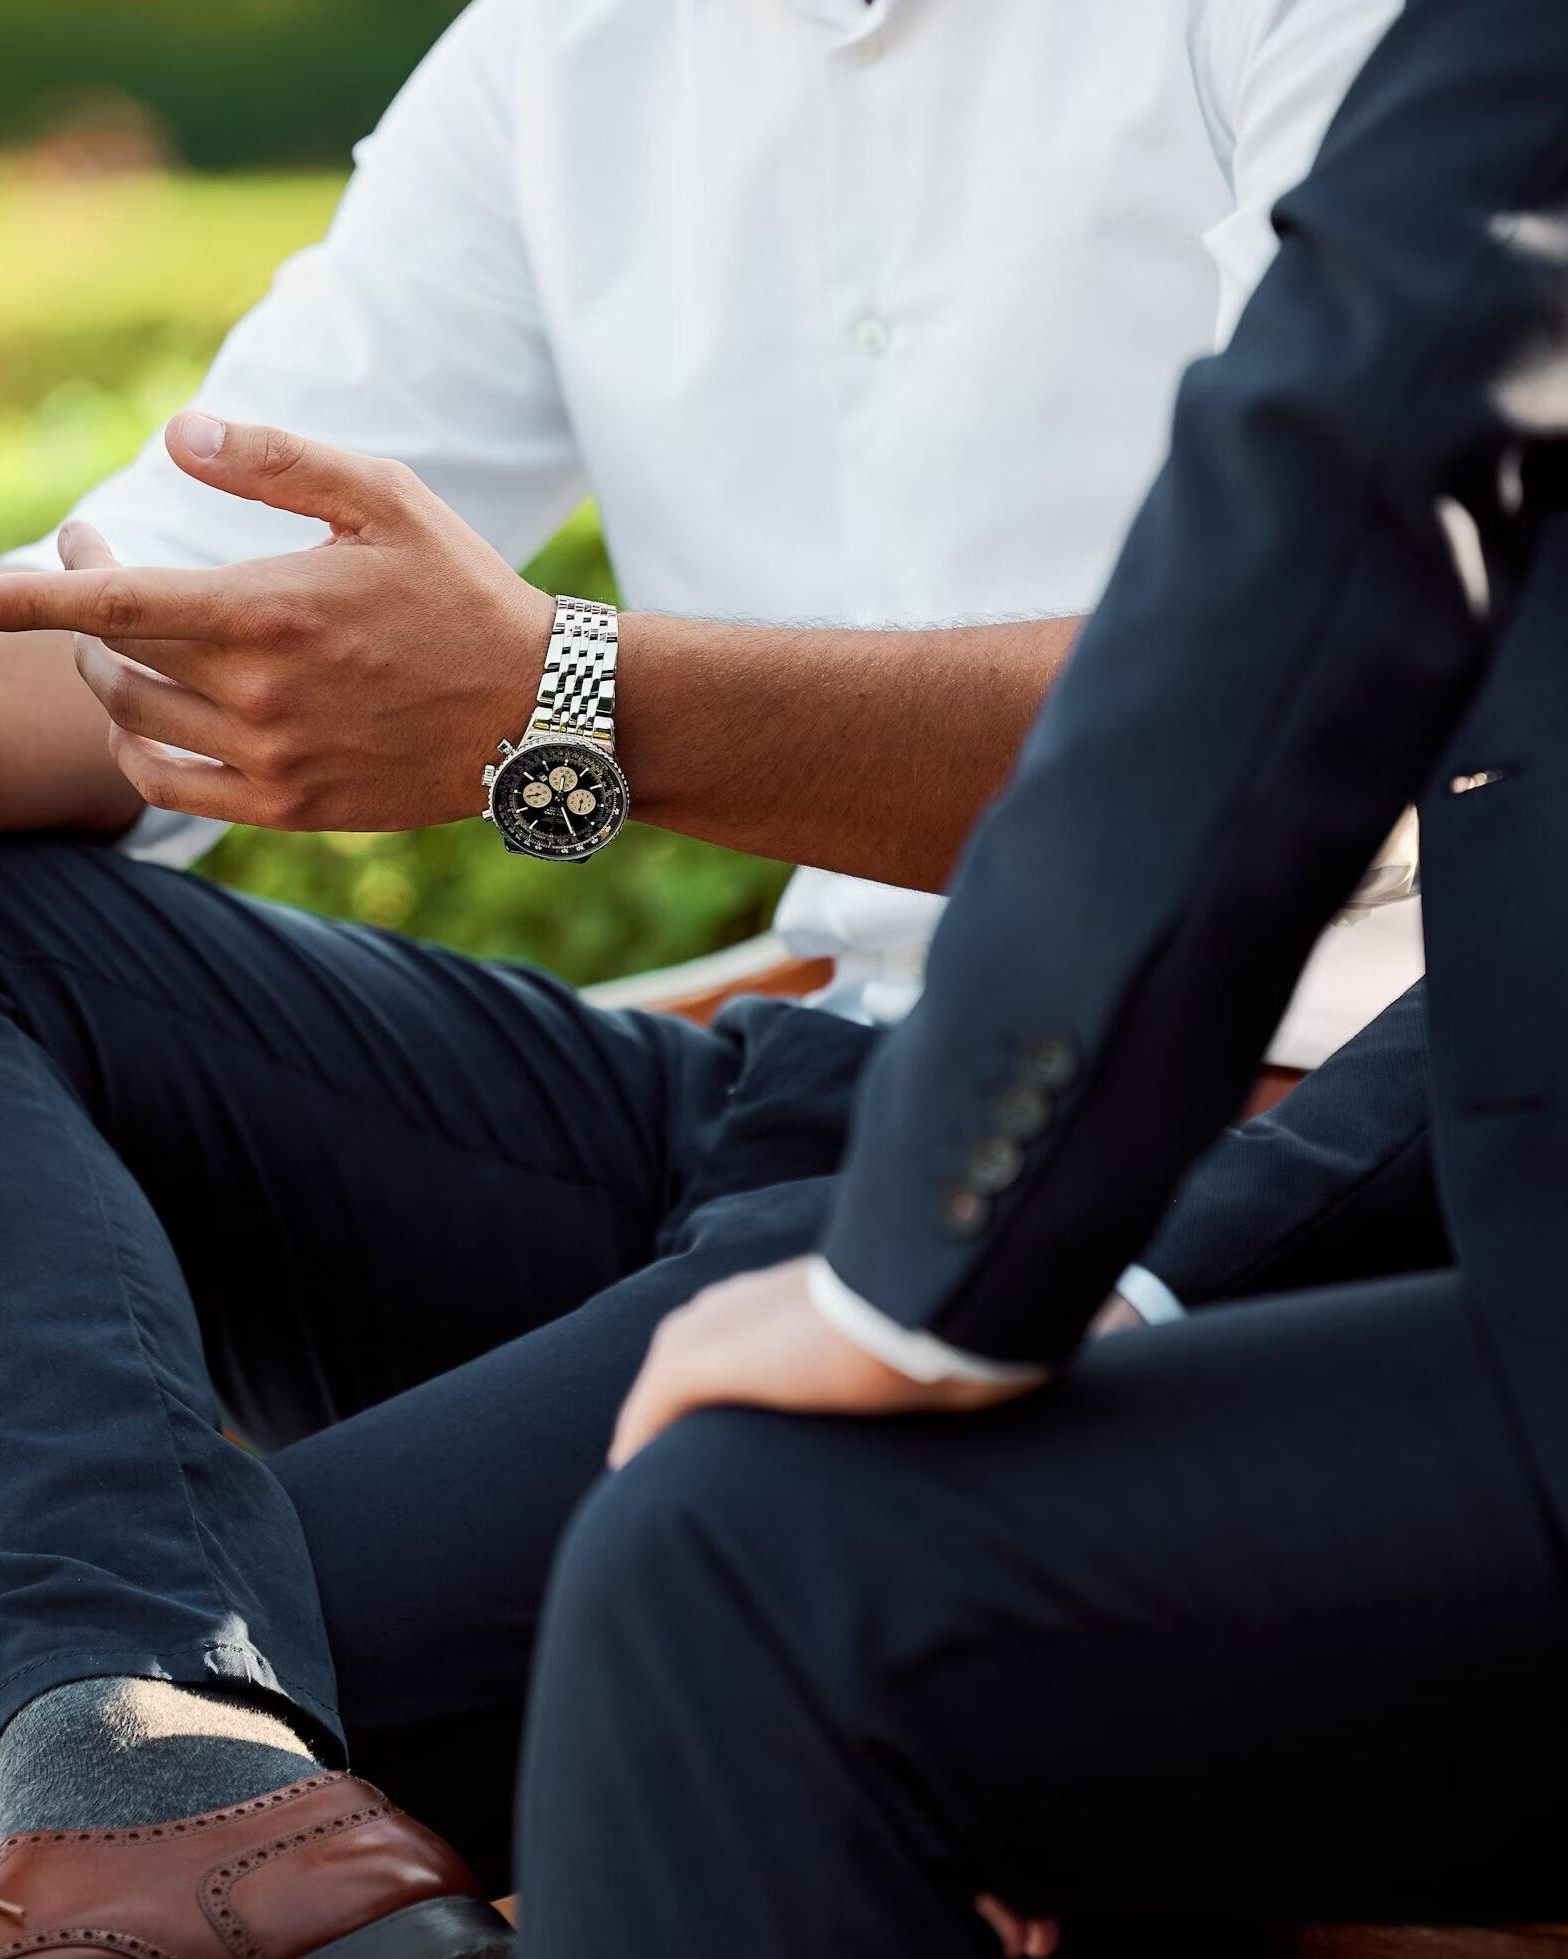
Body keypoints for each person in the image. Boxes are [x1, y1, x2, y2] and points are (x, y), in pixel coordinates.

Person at [0, 0, 1419, 1949]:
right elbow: (149, 632)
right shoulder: (571, 45)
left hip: (1228, 1146)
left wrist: (557, 703)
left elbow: (1309, 724)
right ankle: (158, 1738)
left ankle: (151, 1760)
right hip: (798, 1103)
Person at [508, 0, 1568, 1949]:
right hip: (833, 1111)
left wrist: (924, 1275)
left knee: (734, 1576)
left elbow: (1343, 483)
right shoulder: (549, 60)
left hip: (1203, 1184)